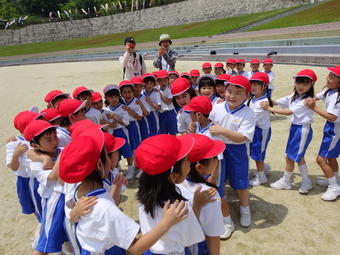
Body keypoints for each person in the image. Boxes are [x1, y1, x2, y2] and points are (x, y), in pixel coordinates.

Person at [59, 128, 189, 255]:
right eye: (107, 154)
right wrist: (167, 222)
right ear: (99, 165)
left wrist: (116, 187)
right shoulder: (105, 209)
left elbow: (105, 205)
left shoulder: (80, 190)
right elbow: (136, 248)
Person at [136, 134, 211, 255]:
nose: (190, 164)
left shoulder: (144, 193)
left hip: (149, 250)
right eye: (187, 160)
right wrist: (197, 205)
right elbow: (190, 238)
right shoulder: (179, 207)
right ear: (173, 175)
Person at [183, 96, 235, 239]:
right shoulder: (199, 125)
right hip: (202, 167)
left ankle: (228, 221)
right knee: (206, 194)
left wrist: (213, 176)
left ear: (199, 114)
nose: (189, 115)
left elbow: (218, 158)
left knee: (219, 195)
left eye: (192, 112)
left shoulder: (213, 132)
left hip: (213, 168)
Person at [209, 75, 255, 228]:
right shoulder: (217, 107)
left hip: (237, 151)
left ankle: (245, 208)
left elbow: (242, 137)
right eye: (229, 91)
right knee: (219, 183)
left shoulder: (248, 113)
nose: (232, 96)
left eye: (238, 93)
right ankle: (225, 218)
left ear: (246, 96)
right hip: (218, 150)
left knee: (240, 182)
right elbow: (209, 124)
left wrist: (222, 130)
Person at [262, 69, 316, 194]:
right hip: (295, 128)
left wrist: (269, 108)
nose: (301, 86)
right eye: (298, 83)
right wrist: (267, 100)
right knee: (292, 156)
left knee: (295, 157)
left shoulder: (306, 100)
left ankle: (295, 181)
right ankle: (298, 181)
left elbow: (289, 111)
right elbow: (280, 101)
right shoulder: (295, 95)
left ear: (311, 84)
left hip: (302, 129)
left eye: (305, 84)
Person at [178, 133, 226, 254]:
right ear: (199, 167)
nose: (217, 161)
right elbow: (213, 235)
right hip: (196, 246)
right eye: (214, 158)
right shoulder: (208, 194)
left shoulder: (174, 182)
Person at [305, 65, 340, 200]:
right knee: (331, 157)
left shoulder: (337, 96)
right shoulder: (329, 90)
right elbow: (317, 96)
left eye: (332, 76)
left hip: (334, 131)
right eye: (329, 75)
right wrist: (311, 99)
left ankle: (333, 187)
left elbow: (333, 117)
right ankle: (334, 179)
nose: (328, 78)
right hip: (331, 129)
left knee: (320, 159)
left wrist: (314, 107)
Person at [103, 84, 136, 180]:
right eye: (111, 97)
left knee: (127, 151)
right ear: (107, 98)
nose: (114, 99)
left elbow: (126, 123)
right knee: (114, 152)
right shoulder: (105, 109)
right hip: (111, 133)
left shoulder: (122, 108)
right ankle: (116, 169)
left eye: (116, 97)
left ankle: (131, 169)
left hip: (122, 132)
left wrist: (115, 117)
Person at [247, 72, 272, 186]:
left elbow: (252, 118)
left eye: (257, 84)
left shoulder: (263, 102)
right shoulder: (253, 99)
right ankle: (264, 167)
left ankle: (261, 176)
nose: (253, 87)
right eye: (252, 84)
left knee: (258, 154)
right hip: (255, 130)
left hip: (261, 131)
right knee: (255, 152)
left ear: (264, 86)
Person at [156, 70, 178, 135]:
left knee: (174, 132)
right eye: (160, 80)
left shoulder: (170, 89)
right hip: (161, 114)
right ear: (157, 81)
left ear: (168, 80)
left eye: (165, 80)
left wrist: (159, 93)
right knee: (163, 134)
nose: (163, 82)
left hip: (170, 113)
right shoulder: (156, 89)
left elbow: (168, 101)